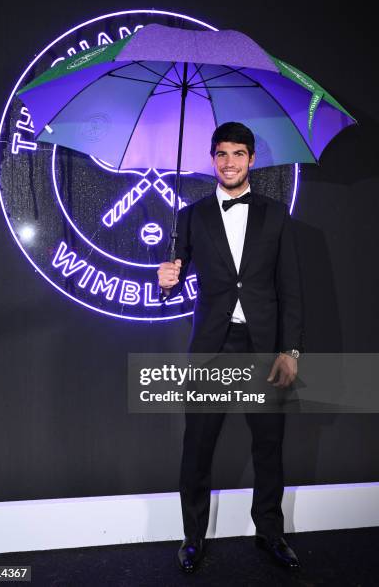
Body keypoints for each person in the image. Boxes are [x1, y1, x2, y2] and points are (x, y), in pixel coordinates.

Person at [157, 122, 304, 573]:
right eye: (222, 154)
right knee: (197, 448)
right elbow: (173, 277)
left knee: (268, 447)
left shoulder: (276, 214)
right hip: (212, 347)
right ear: (212, 158)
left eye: (239, 154)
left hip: (263, 347)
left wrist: (290, 351)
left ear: (252, 159)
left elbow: (291, 289)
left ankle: (270, 534)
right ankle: (193, 538)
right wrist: (165, 280)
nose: (230, 162)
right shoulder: (192, 215)